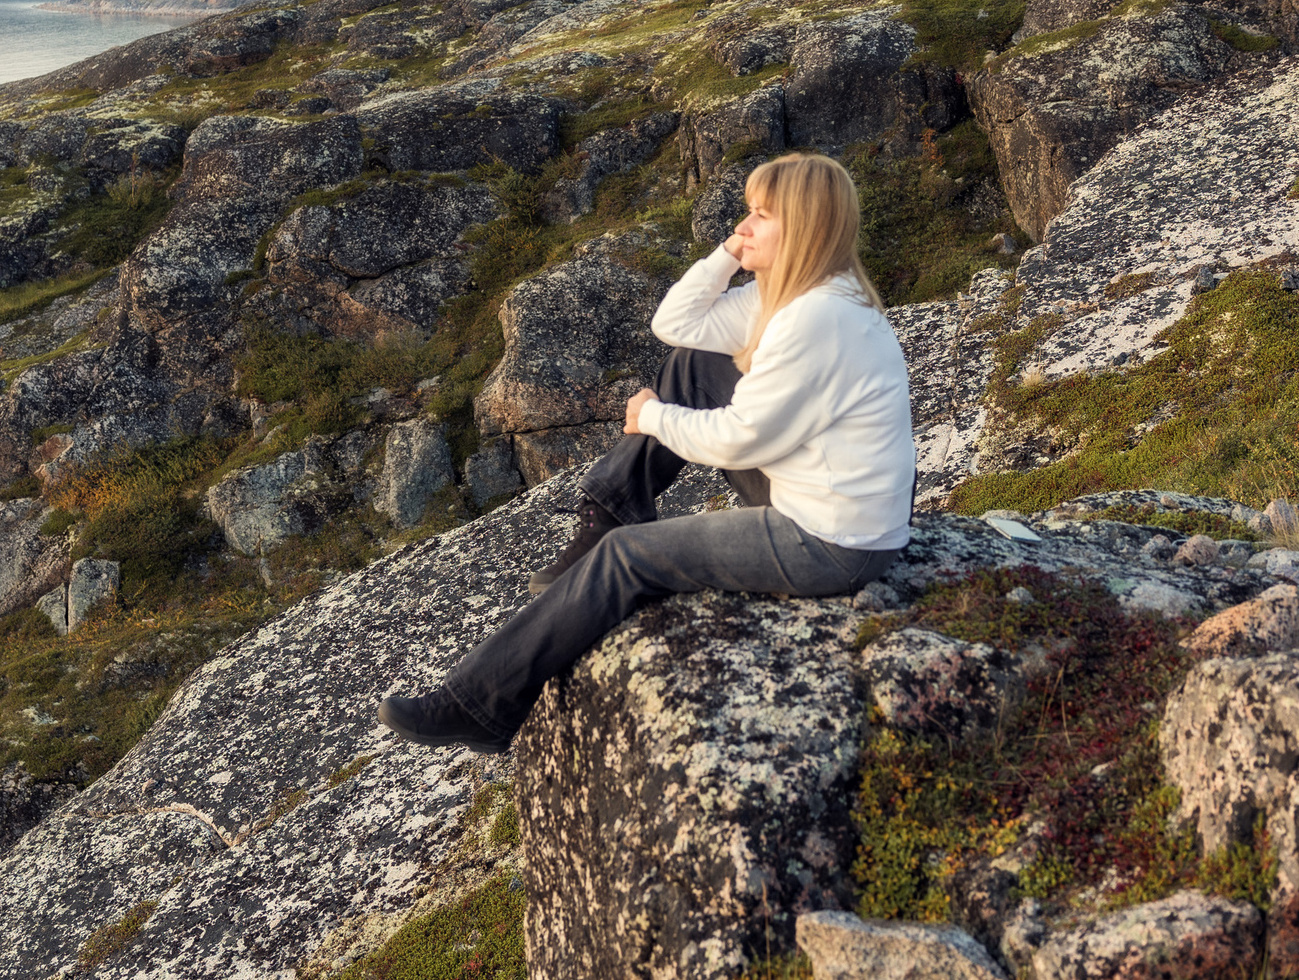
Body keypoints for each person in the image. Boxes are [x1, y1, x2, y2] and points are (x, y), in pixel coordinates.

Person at [379, 152, 915, 752]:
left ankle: (480, 705)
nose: (742, 226)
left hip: (834, 543)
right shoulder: (799, 295)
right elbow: (676, 324)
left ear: (805, 227)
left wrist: (653, 417)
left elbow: (738, 437)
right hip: (832, 506)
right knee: (695, 363)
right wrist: (728, 254)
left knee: (627, 556)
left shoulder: (817, 319)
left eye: (761, 216)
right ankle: (610, 508)